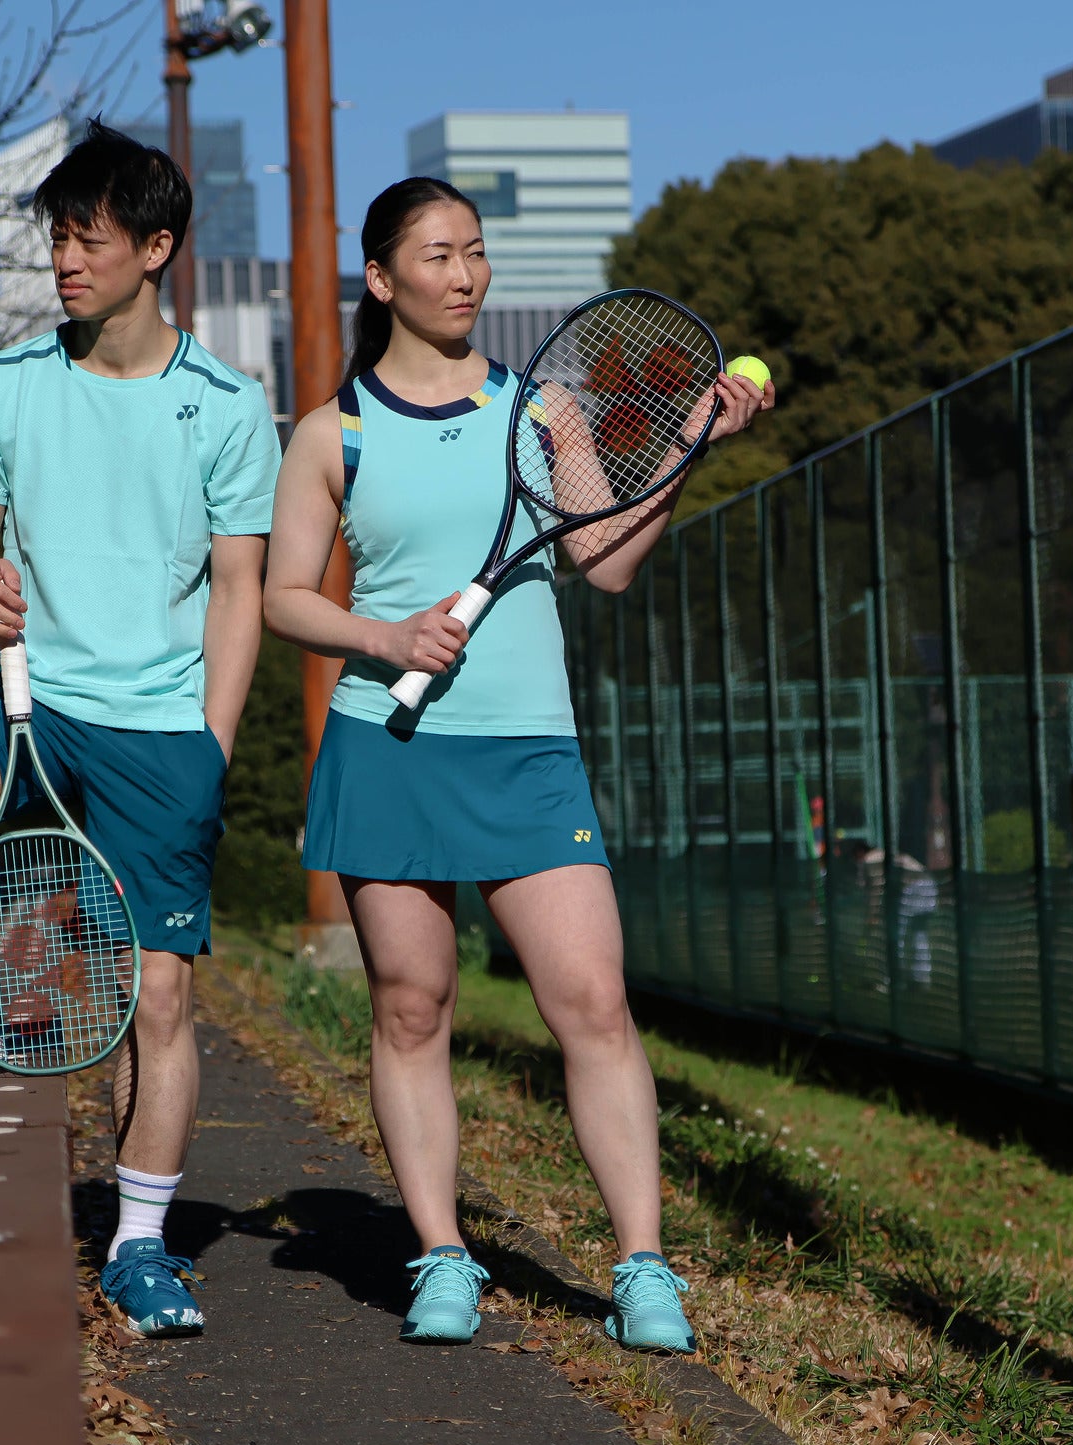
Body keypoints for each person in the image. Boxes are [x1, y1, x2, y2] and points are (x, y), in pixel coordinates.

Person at [263, 177, 774, 1350]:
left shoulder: (543, 411)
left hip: (529, 753)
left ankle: (643, 1270)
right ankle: (442, 1256)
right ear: (383, 279)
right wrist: (383, 637)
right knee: (410, 1005)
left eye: (477, 253)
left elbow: (604, 560)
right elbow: (286, 599)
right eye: (439, 255)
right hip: (387, 748)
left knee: (592, 1001)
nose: (466, 275)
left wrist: (693, 437)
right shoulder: (330, 432)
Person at [0, 121, 279, 1338]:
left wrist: (212, 747)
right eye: (57, 237)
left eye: (87, 238)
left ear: (156, 248)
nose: (64, 260)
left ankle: (141, 1247)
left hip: (160, 733)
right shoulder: (6, 386)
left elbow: (242, 591)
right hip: (27, 706)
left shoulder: (229, 408)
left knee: (160, 1000)